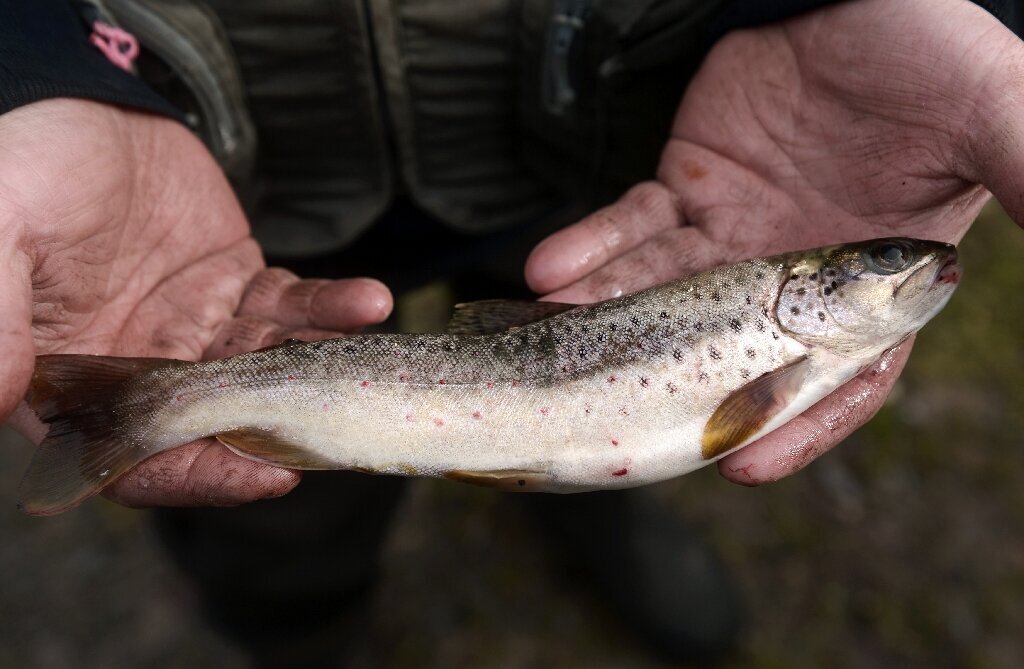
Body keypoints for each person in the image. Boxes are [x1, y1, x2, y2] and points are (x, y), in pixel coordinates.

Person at [2, 0, 1022, 665]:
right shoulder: (780, 349)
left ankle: (586, 510)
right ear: (803, 300)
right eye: (865, 277)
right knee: (272, 512)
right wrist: (34, 67)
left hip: (608, 141)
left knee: (554, 281)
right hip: (226, 172)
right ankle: (299, 620)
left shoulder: (765, 301)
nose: (901, 282)